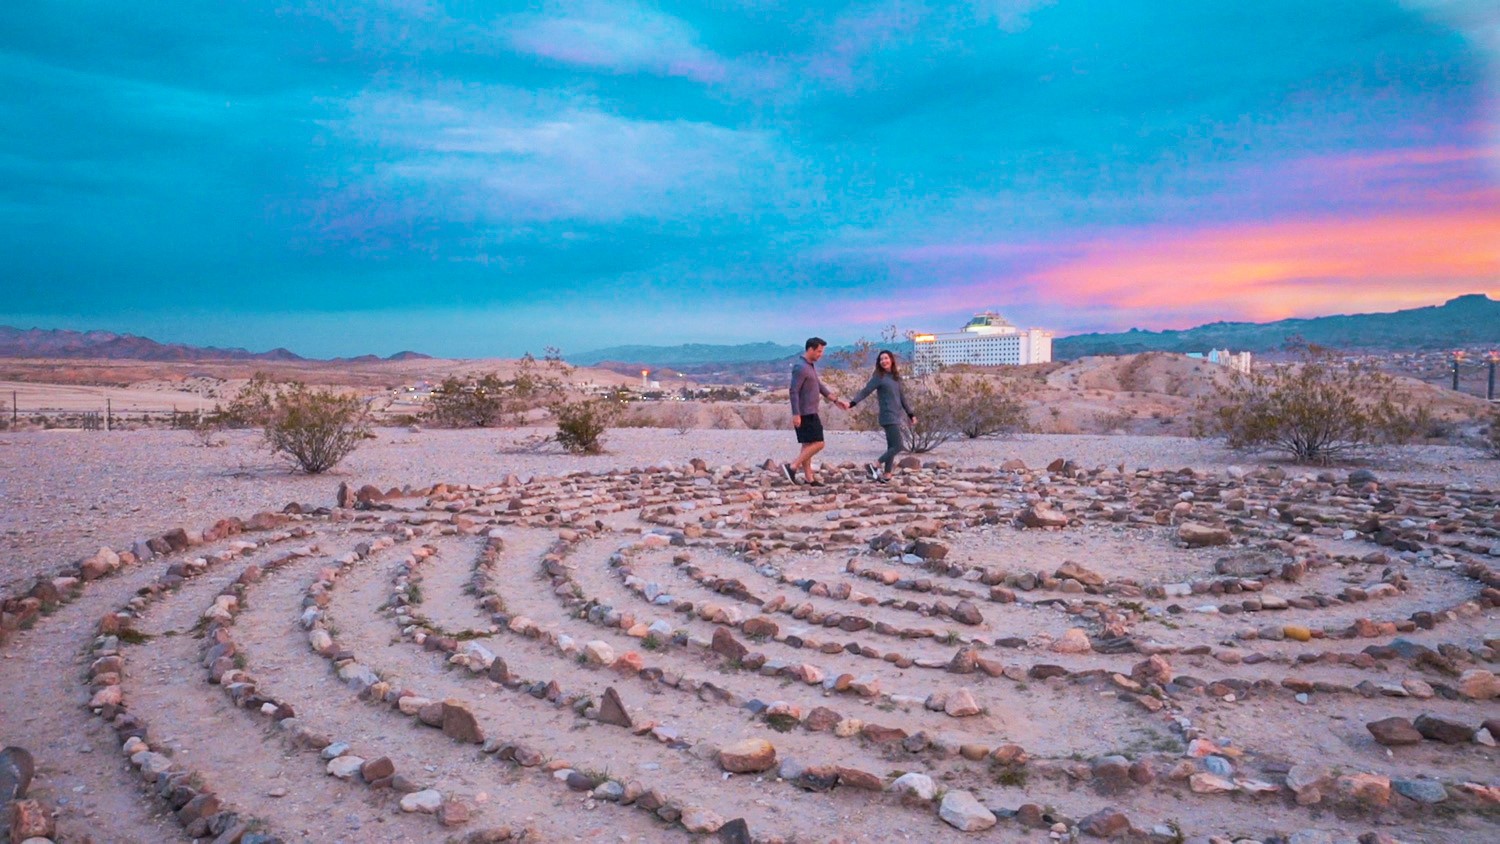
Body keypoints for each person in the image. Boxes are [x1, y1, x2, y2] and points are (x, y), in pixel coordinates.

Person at [847, 349, 916, 482]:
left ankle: (887, 474)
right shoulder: (879, 377)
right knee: (898, 446)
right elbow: (866, 391)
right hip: (887, 415)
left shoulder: (895, 377)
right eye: (881, 359)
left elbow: (902, 397)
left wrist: (910, 414)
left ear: (891, 360)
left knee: (891, 446)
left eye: (886, 358)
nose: (884, 361)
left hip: (896, 415)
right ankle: (874, 465)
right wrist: (852, 403)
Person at [785, 337, 847, 485]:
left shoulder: (809, 366)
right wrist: (796, 414)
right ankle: (792, 466)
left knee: (807, 446)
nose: (821, 354)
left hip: (811, 411)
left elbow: (818, 386)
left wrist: (836, 400)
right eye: (819, 351)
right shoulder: (800, 367)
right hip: (805, 413)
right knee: (819, 443)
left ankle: (809, 478)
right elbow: (793, 391)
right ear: (810, 349)